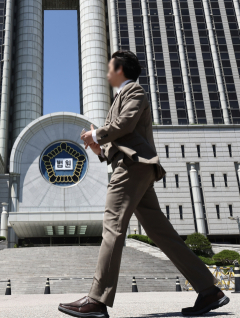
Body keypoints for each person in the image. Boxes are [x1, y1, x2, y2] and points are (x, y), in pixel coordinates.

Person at [58, 50, 229, 318]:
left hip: (131, 167)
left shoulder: (135, 91)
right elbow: (121, 137)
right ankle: (209, 290)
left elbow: (125, 125)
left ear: (120, 70)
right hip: (134, 166)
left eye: (109, 67)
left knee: (112, 226)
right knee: (161, 233)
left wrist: (96, 133)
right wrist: (98, 149)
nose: (106, 72)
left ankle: (97, 299)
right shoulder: (120, 97)